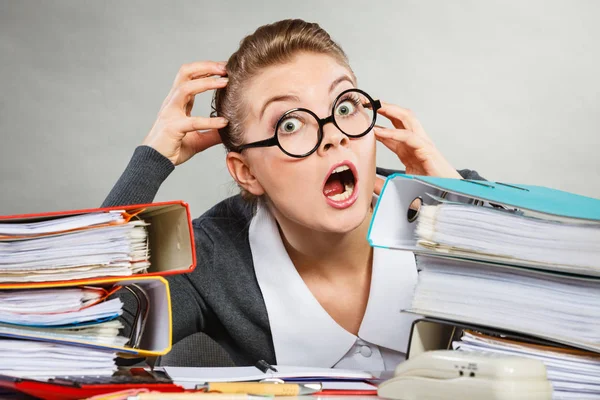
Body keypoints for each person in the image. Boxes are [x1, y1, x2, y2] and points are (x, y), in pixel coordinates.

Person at [103, 19, 483, 370]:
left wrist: (468, 217)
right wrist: (152, 160)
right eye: (290, 123)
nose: (335, 135)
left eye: (345, 105)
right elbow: (78, 336)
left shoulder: (449, 201)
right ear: (247, 172)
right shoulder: (210, 254)